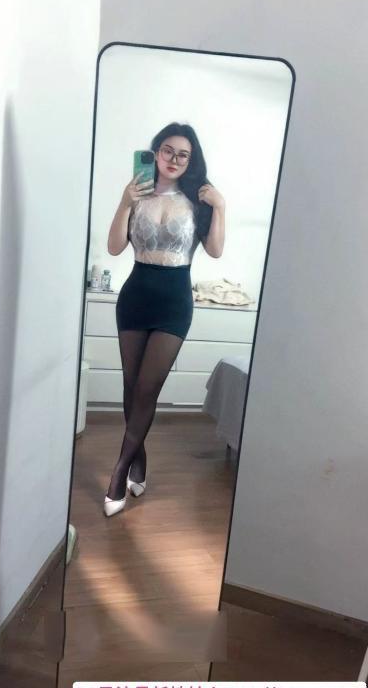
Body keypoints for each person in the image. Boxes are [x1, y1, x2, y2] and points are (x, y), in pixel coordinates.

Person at [104, 122, 225, 516]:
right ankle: (138, 458)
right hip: (135, 296)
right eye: (167, 150)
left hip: (174, 301)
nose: (174, 159)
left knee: (147, 388)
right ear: (155, 152)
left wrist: (221, 206)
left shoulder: (199, 200)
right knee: (131, 386)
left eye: (182, 154)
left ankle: (119, 472)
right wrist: (124, 202)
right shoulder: (137, 194)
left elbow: (216, 250)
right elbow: (114, 247)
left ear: (190, 160)